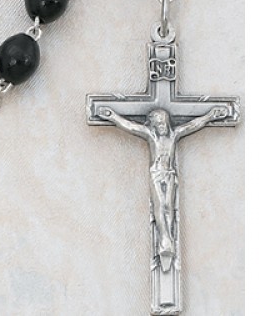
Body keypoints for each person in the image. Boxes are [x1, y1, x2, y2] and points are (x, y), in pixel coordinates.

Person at [98, 105, 229, 271]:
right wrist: (112, 116)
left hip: (170, 174)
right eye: (158, 122)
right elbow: (131, 126)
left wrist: (210, 116)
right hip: (157, 174)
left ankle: (169, 238)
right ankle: (164, 240)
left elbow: (192, 125)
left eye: (164, 121)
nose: (162, 125)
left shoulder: (174, 135)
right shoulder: (150, 135)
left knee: (169, 207)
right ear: (153, 124)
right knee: (160, 206)